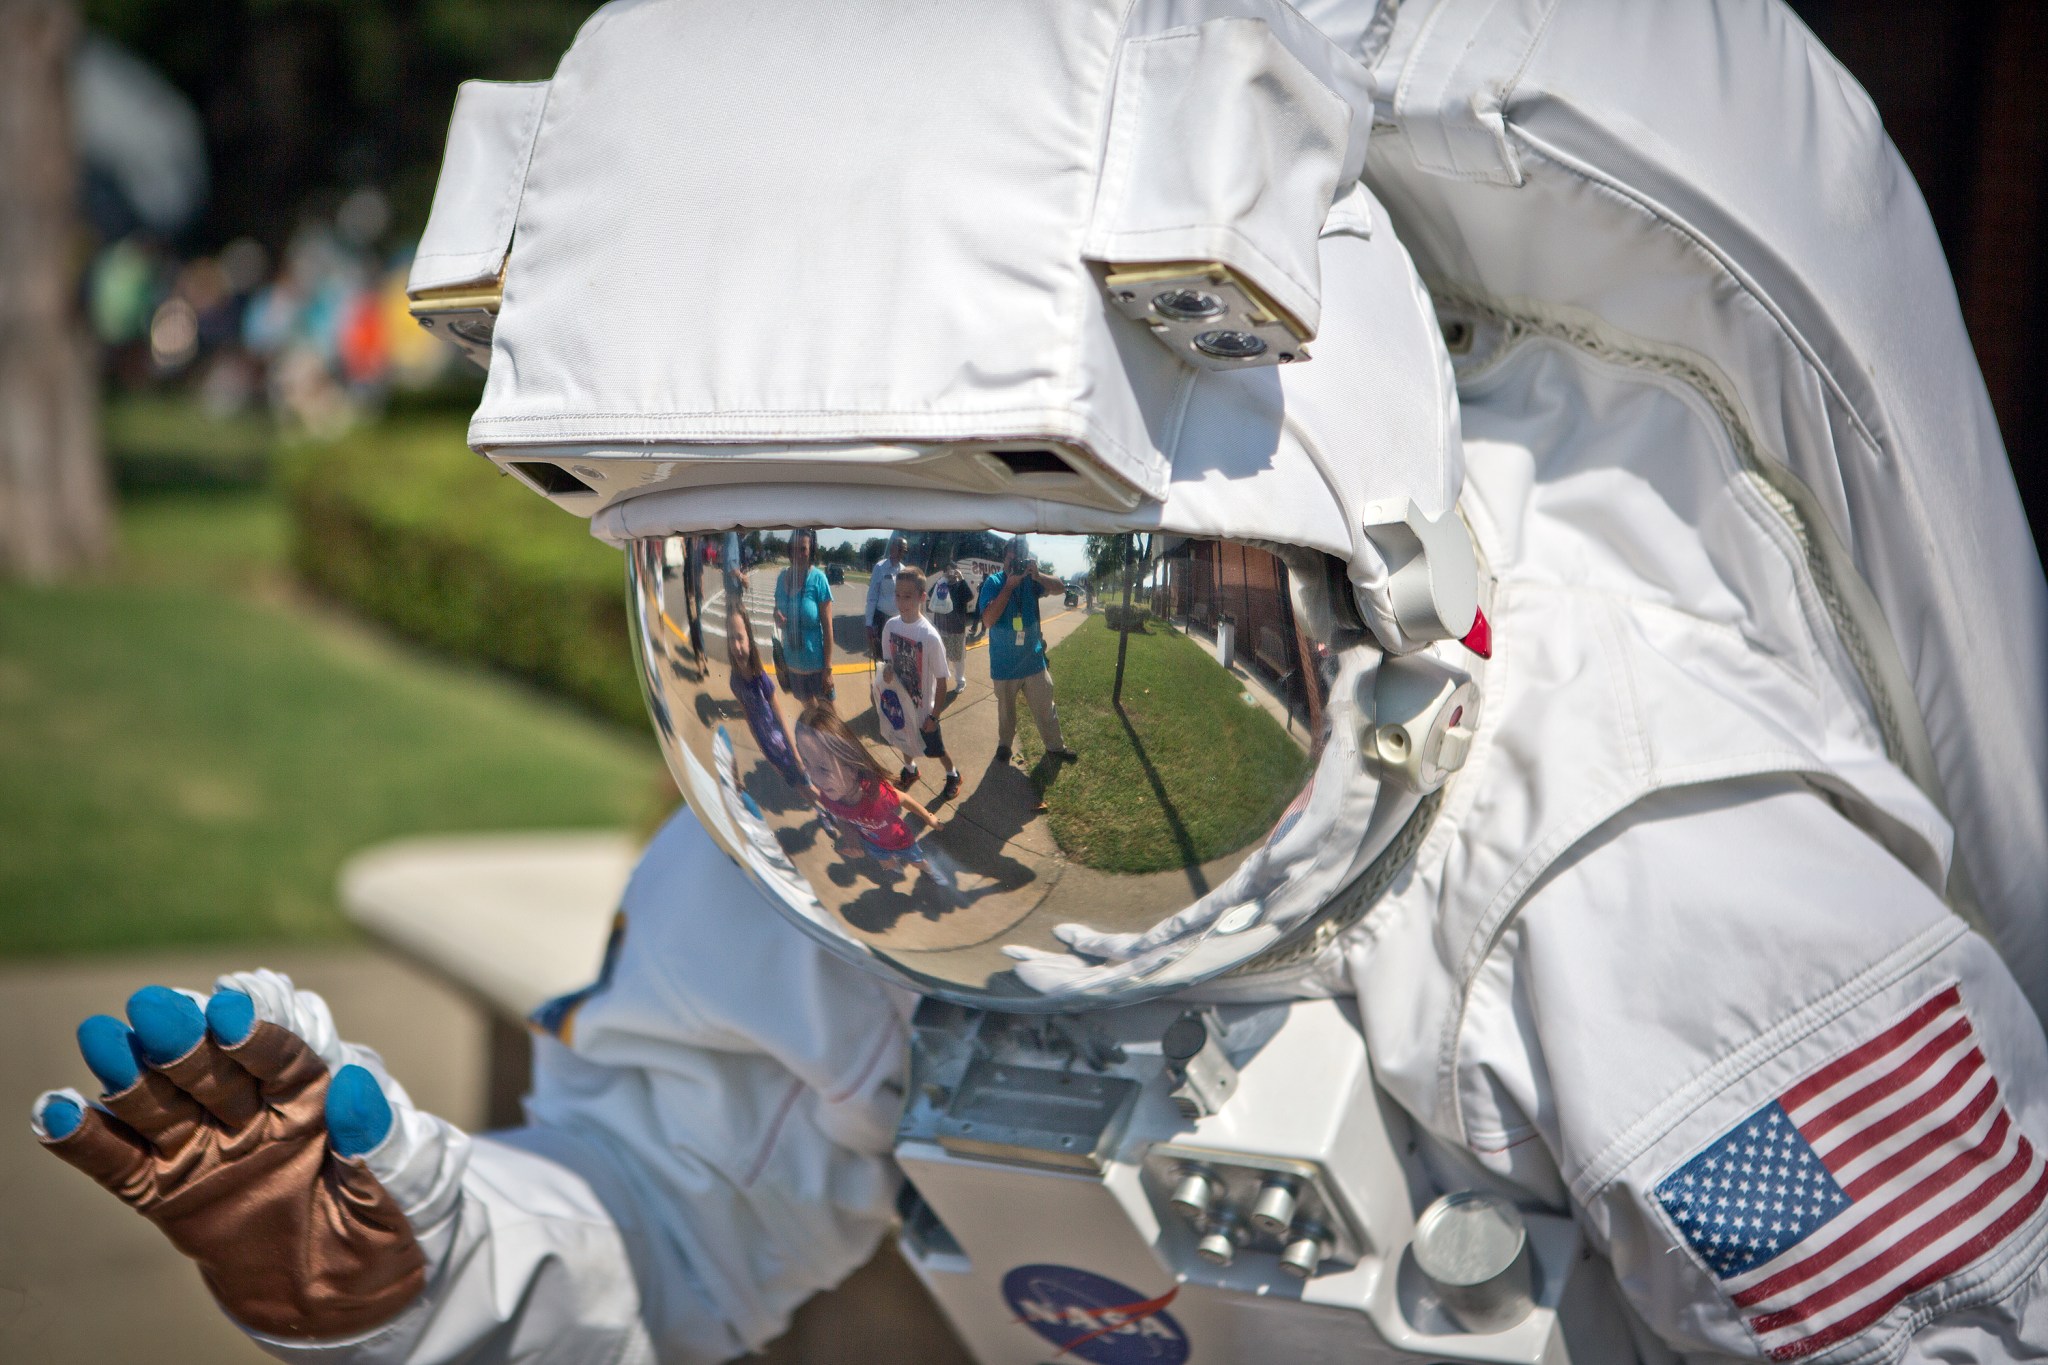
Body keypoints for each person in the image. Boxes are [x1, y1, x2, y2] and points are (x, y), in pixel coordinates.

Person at [33, 4, 2048, 1363]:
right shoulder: (860, 864)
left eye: (988, 596)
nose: (838, 723)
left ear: (1350, 572)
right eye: (760, 623)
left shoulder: (1654, 867)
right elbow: (669, 1211)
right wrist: (388, 1252)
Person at [791, 702, 947, 888]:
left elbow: (903, 798)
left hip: (899, 839)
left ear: (851, 766)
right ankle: (893, 866)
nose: (813, 777)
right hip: (874, 844)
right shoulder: (828, 796)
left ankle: (930, 871)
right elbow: (842, 817)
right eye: (806, 763)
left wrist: (927, 817)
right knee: (885, 862)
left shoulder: (876, 794)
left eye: (823, 768)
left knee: (916, 861)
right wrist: (852, 840)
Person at [976, 534, 1075, 767]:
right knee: (1006, 712)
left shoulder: (1032, 581)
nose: (1017, 564)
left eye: (1021, 559)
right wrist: (1008, 588)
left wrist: (1038, 575)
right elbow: (988, 620)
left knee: (1045, 707)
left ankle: (1055, 747)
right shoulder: (994, 583)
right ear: (1004, 558)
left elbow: (1060, 588)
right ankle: (1004, 745)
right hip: (1004, 664)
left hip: (1032, 661)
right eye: (1013, 559)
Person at [876, 566, 960, 803]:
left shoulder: (930, 637)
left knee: (936, 749)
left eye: (908, 596)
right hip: (901, 703)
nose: (901, 602)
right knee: (903, 737)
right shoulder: (891, 627)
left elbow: (942, 682)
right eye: (898, 595)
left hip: (924, 709)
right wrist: (888, 672)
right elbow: (888, 662)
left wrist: (933, 717)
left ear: (922, 597)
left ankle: (953, 774)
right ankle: (910, 769)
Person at [725, 608, 808, 795]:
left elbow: (779, 715)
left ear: (749, 639)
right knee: (795, 784)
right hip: (769, 747)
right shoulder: (735, 682)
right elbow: (748, 718)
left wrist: (795, 754)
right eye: (731, 639)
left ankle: (826, 811)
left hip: (783, 744)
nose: (736, 647)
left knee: (806, 781)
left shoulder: (760, 678)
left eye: (740, 638)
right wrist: (764, 751)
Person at [772, 527, 834, 704]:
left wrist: (828, 670)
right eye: (794, 548)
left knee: (829, 719)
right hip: (792, 666)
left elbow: (828, 629)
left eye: (803, 549)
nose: (798, 554)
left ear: (811, 550)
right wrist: (777, 616)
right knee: (809, 715)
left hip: (817, 668)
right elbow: (777, 610)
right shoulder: (782, 577)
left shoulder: (818, 579)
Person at [928, 563, 972, 694]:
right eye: (948, 571)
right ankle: (943, 681)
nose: (951, 574)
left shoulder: (960, 586)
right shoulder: (941, 585)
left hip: (956, 628)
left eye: (953, 571)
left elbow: (969, 596)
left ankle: (960, 681)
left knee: (958, 657)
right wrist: (942, 579)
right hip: (941, 627)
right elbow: (931, 594)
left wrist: (962, 578)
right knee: (942, 656)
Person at [863, 536, 906, 662]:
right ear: (892, 549)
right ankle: (880, 681)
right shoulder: (880, 567)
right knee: (881, 657)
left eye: (904, 551)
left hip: (899, 620)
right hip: (881, 619)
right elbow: (872, 596)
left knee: (897, 657)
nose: (902, 553)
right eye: (900, 550)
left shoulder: (904, 570)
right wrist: (869, 622)